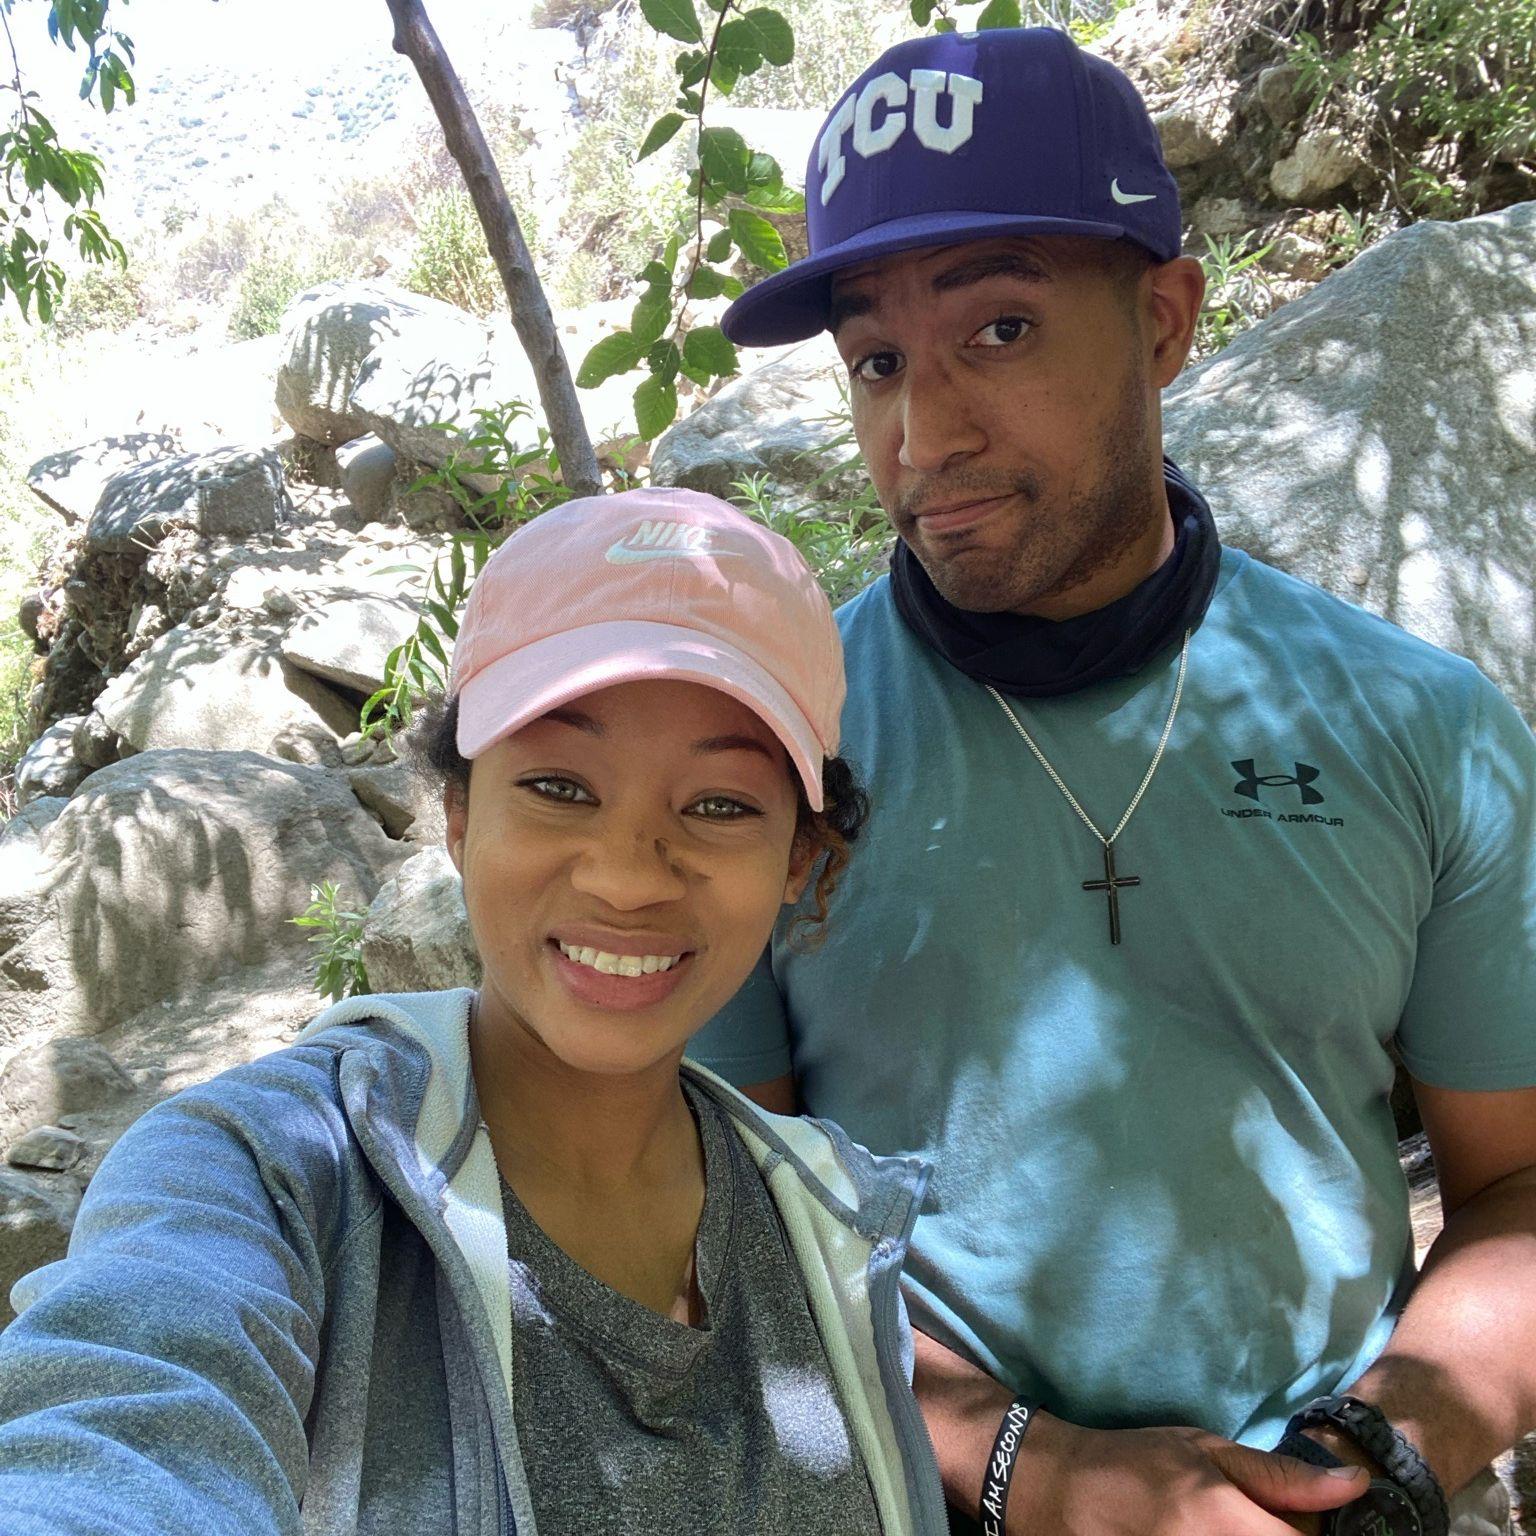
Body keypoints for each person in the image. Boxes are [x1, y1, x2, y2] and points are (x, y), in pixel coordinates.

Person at [691, 24, 1536, 1536]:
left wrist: (1381, 1462)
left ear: (1164, 320)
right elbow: (725, 1234)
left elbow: (1517, 1190)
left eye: (998, 331)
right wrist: (1041, 1474)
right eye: (876, 359)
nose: (922, 431)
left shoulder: (1424, 730)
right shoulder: (765, 755)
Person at [0, 487, 950, 1535]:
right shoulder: (268, 1175)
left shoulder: (831, 1218)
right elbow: (121, 1427)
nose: (628, 878)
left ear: (799, 861)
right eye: (558, 785)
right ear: (458, 818)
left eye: (719, 805)